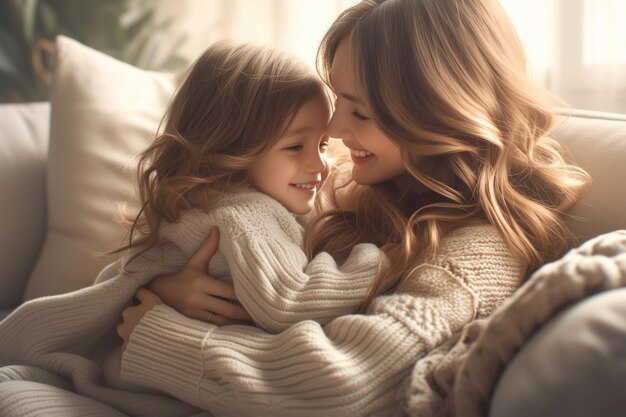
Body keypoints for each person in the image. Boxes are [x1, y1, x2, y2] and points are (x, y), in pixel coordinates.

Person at [116, 0, 589, 416]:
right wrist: (169, 286)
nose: (337, 129)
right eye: (339, 98)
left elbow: (341, 385)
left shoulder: (479, 253)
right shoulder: (352, 179)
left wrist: (161, 336)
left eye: (360, 111)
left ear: (440, 112)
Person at [113, 40, 395, 338]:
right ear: (230, 146)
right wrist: (379, 262)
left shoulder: (208, 202)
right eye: (295, 146)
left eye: (323, 145)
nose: (320, 164)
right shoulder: (247, 214)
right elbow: (290, 303)